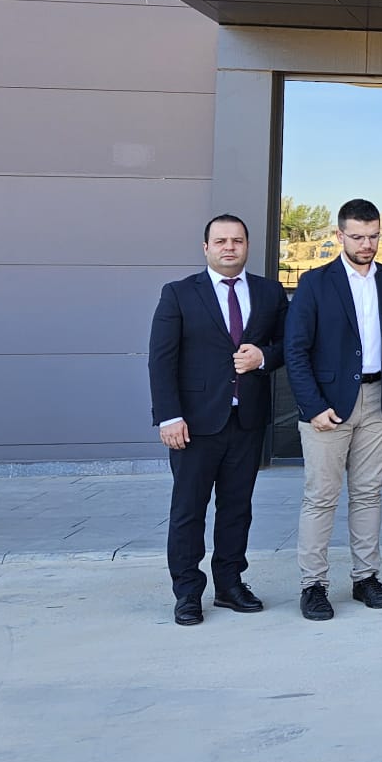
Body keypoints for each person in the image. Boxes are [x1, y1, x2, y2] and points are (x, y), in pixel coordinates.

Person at [284, 198, 382, 620]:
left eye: (373, 236)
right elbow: (295, 350)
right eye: (358, 237)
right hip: (328, 406)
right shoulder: (314, 282)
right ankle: (313, 585)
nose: (367, 244)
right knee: (321, 497)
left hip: (380, 401)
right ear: (339, 235)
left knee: (368, 493)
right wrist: (312, 406)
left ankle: (366, 578)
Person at [148, 214, 288, 626]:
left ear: (247, 246)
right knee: (188, 510)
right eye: (221, 241)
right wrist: (169, 417)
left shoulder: (269, 292)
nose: (230, 247)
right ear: (206, 247)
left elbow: (290, 344)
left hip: (247, 420)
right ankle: (187, 592)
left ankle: (229, 585)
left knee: (237, 508)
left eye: (237, 241)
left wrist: (263, 357)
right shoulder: (178, 293)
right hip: (193, 424)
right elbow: (161, 359)